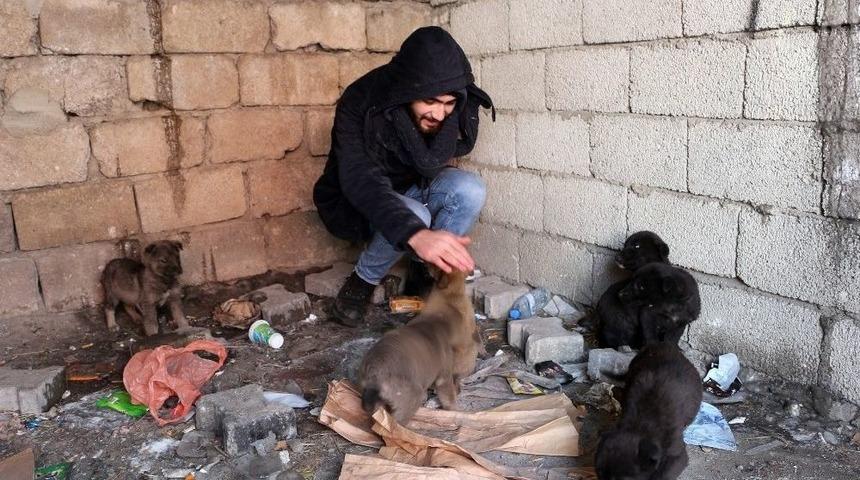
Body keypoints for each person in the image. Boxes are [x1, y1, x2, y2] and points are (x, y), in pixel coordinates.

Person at [313, 26, 495, 326]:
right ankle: (362, 280)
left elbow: (434, 160)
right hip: (357, 198)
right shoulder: (360, 100)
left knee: (469, 188)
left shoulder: (453, 109)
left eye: (449, 103)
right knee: (413, 215)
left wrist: (425, 239)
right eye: (431, 102)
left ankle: (424, 271)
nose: (440, 115)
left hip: (412, 188)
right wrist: (417, 234)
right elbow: (360, 178)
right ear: (409, 91)